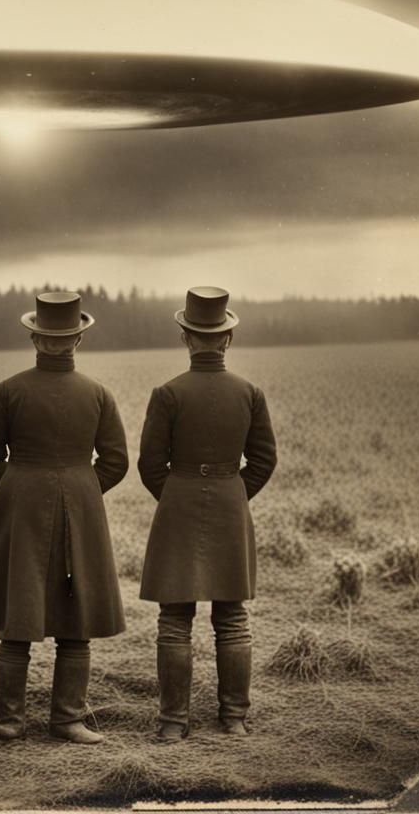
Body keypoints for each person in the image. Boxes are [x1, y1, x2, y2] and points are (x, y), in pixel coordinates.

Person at [0, 291, 128, 744]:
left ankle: (9, 721)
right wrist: (80, 490)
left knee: (16, 620)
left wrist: (21, 488)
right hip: (81, 507)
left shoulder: (5, 391)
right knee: (76, 621)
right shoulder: (100, 394)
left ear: (34, 338)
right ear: (78, 339)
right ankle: (67, 721)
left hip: (21, 509)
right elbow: (115, 462)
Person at [138, 286, 276, 742]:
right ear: (228, 339)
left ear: (185, 336)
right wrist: (234, 493)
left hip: (177, 501)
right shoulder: (250, 393)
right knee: (232, 618)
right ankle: (234, 720)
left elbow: (150, 466)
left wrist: (178, 495)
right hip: (229, 503)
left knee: (174, 619)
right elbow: (263, 461)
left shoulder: (167, 394)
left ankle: (173, 723)